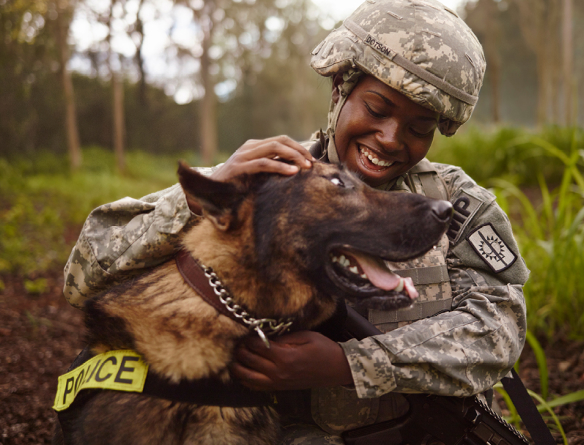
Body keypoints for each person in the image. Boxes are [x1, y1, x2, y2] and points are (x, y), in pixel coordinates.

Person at [62, 0, 529, 443]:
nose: (389, 139)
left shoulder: (458, 204)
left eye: (418, 128)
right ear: (340, 88)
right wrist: (204, 195)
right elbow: (83, 273)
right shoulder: (268, 181)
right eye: (377, 109)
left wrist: (350, 364)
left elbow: (498, 331)